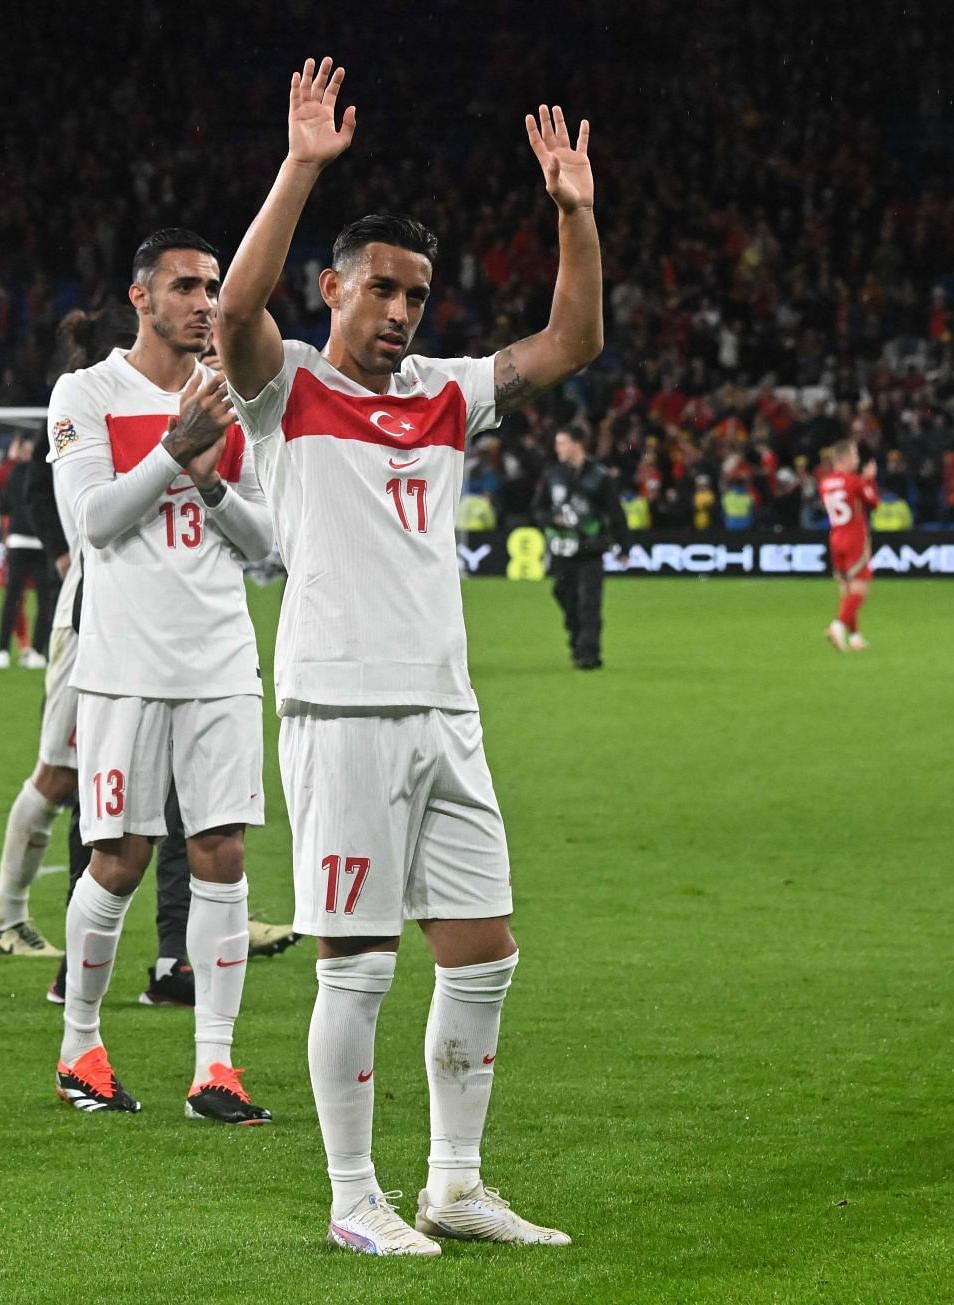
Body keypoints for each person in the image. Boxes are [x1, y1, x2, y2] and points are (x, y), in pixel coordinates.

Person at [216, 58, 598, 1255]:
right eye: (380, 287)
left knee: (483, 953)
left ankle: (453, 1183)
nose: (399, 312)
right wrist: (299, 168)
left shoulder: (445, 394)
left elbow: (572, 340)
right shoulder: (286, 390)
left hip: (445, 708)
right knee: (359, 966)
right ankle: (350, 1198)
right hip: (342, 711)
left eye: (417, 296)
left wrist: (574, 212)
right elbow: (233, 314)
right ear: (332, 286)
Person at [47, 229, 276, 1125]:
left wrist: (215, 485)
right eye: (185, 284)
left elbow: (269, 547)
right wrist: (175, 450)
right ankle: (80, 1047)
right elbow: (92, 524)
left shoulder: (240, 400)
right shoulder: (87, 392)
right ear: (139, 296)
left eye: (214, 286)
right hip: (123, 664)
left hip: (219, 655)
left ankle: (214, 1066)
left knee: (222, 851)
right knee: (121, 856)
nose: (206, 301)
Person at [533, 425, 627, 669]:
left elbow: (615, 512)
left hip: (590, 549)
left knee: (589, 603)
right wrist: (552, 520)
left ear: (577, 444)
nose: (557, 448)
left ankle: (589, 654)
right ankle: (578, 642)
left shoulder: (600, 476)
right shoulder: (553, 475)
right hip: (563, 550)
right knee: (565, 596)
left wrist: (624, 546)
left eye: (562, 443)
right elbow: (539, 509)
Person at [0, 434, 56, 671]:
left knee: (12, 598)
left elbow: (3, 503)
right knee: (45, 601)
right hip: (42, 543)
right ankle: (37, 651)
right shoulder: (49, 472)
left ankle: (2, 651)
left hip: (18, 541)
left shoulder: (15, 472)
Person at [817, 439, 877, 652]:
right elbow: (874, 501)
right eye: (854, 455)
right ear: (844, 458)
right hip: (854, 538)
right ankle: (837, 626)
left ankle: (855, 637)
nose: (858, 459)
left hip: (835, 538)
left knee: (846, 590)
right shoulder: (854, 481)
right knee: (860, 590)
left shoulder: (824, 483)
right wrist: (869, 479)